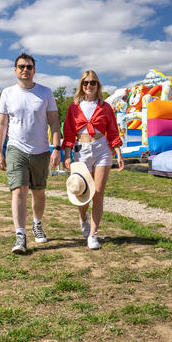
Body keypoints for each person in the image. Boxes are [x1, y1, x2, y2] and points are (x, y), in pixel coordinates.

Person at [0, 53, 62, 254]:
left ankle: (37, 224)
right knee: (19, 190)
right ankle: (20, 235)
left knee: (39, 192)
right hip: (16, 148)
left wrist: (56, 148)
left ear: (34, 70)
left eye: (29, 67)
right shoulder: (7, 93)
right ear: (15, 70)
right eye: (21, 66)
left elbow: (54, 122)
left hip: (41, 150)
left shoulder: (46, 93)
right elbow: (2, 123)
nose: (25, 70)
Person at [62, 70, 124, 250]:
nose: (89, 86)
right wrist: (67, 155)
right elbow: (68, 133)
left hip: (101, 149)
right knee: (82, 193)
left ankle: (93, 235)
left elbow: (112, 132)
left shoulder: (105, 107)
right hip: (81, 150)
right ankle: (83, 219)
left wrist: (118, 154)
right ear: (81, 86)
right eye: (85, 83)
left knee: (98, 192)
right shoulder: (74, 107)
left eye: (93, 83)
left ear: (98, 85)